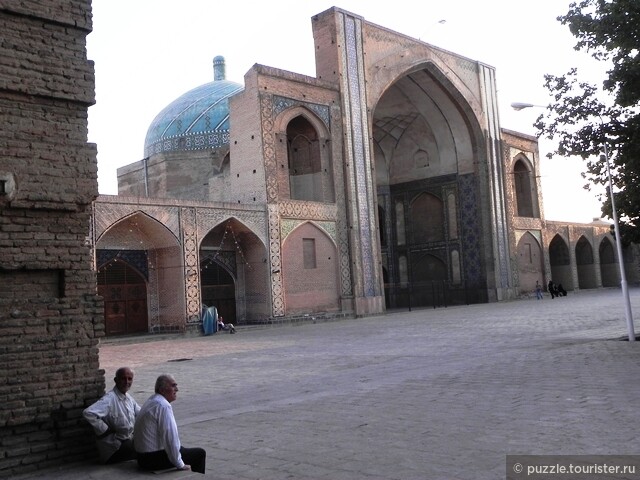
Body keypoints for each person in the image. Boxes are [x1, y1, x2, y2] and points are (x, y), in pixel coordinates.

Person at [134, 374, 206, 474]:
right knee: (200, 453)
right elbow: (170, 438)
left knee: (182, 449)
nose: (177, 389)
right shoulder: (163, 405)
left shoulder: (152, 400)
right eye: (173, 386)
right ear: (162, 390)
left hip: (141, 457)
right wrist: (180, 464)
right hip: (152, 459)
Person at [83, 367, 141, 464]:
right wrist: (104, 430)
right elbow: (88, 413)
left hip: (126, 440)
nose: (127, 382)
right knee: (145, 450)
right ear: (116, 380)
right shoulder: (110, 399)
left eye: (129, 379)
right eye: (123, 378)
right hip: (115, 447)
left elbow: (141, 413)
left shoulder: (128, 398)